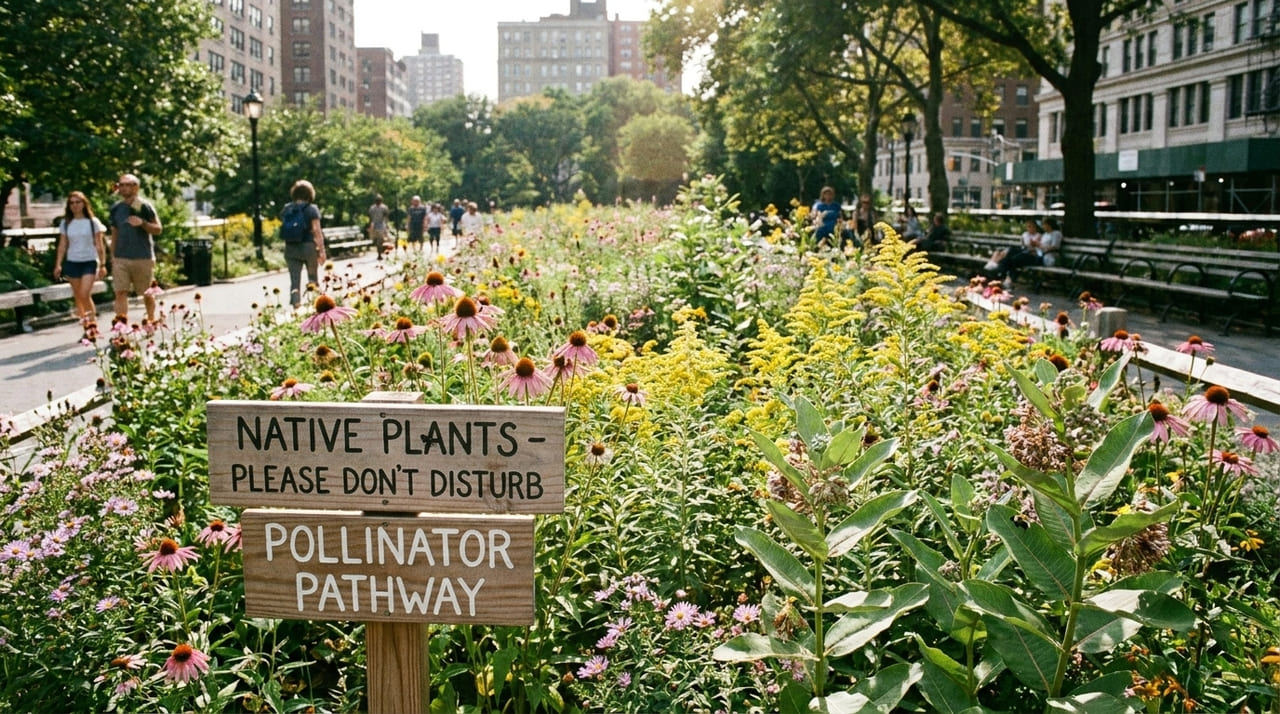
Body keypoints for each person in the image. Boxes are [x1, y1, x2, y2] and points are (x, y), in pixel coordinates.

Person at [108, 173, 162, 324]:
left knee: (147, 293)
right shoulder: (116, 209)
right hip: (121, 257)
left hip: (142, 257)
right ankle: (120, 327)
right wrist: (112, 256)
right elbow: (114, 233)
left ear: (136, 187)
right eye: (121, 185)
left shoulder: (144, 206)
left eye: (127, 184)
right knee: (120, 292)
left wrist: (143, 223)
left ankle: (151, 320)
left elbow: (158, 229)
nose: (123, 188)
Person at [53, 191, 108, 334]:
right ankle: (86, 328)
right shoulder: (66, 223)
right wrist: (58, 264)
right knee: (78, 295)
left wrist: (102, 264)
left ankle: (93, 326)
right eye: (72, 203)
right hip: (73, 261)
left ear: (84, 204)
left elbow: (99, 245)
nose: (75, 205)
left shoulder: (92, 222)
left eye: (78, 202)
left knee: (84, 293)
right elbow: (62, 244)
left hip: (89, 261)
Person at [282, 180, 325, 308]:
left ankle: (296, 306)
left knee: (294, 280)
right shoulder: (312, 209)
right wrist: (321, 251)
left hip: (291, 247)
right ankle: (315, 303)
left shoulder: (287, 208)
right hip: (308, 247)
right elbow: (317, 231)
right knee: (312, 277)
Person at [984, 219, 1047, 285]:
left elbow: (1031, 247)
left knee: (1011, 259)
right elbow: (1023, 245)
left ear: (1035, 227)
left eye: (1031, 226)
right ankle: (1001, 276)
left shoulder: (1039, 235)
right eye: (1028, 226)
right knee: (1009, 257)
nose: (1029, 228)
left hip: (1033, 256)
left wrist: (1030, 245)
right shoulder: (1025, 234)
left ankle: (1001, 274)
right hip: (1023, 253)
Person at [369, 194, 392, 260]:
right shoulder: (372, 208)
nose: (378, 201)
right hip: (374, 225)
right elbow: (370, 217)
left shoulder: (384, 207)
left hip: (381, 225)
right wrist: (370, 226)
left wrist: (386, 225)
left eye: (379, 200)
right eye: (377, 200)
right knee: (376, 240)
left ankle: (380, 254)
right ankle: (379, 252)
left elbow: (386, 217)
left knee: (380, 240)